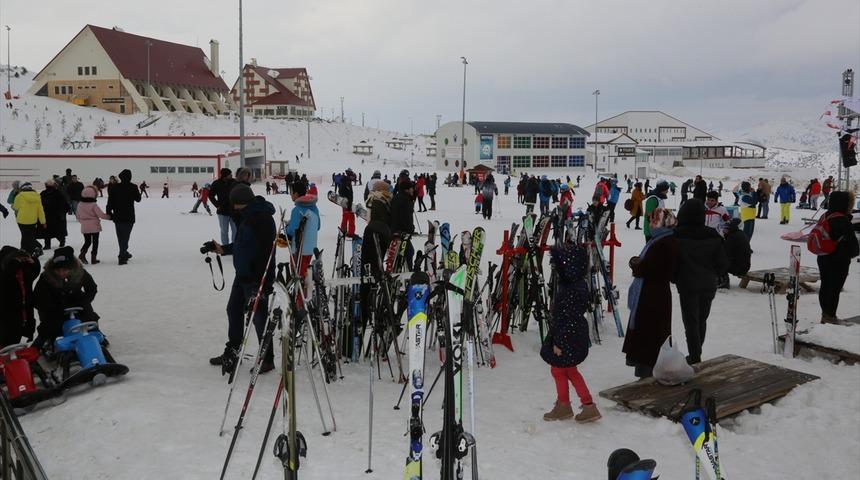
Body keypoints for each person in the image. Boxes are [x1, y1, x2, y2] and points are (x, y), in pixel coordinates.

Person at [208, 184, 277, 374]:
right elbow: (243, 245)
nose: (233, 209)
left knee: (259, 318)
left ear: (240, 203)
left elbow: (265, 253)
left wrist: (261, 283)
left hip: (255, 279)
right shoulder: (248, 217)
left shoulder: (261, 219)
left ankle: (267, 359)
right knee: (233, 309)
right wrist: (224, 249)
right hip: (243, 276)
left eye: (234, 205)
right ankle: (233, 350)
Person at [540, 243, 600, 423]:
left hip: (567, 334)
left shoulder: (570, 290)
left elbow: (565, 318)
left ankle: (567, 405)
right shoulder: (578, 284)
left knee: (559, 370)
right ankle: (583, 405)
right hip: (575, 333)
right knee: (569, 370)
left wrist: (558, 342)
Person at [623, 208, 678, 378]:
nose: (651, 224)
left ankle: (648, 373)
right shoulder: (662, 239)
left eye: (654, 221)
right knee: (649, 335)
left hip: (652, 297)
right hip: (653, 294)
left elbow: (647, 268)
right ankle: (646, 371)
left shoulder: (663, 243)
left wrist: (635, 263)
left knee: (649, 336)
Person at [673, 199, 728, 364]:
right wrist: (714, 274)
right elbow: (723, 263)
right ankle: (696, 353)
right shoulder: (713, 235)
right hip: (708, 284)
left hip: (687, 285)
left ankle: (695, 356)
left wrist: (675, 277)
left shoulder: (677, 235)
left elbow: (672, 262)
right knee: (701, 320)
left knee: (691, 322)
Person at [32, 246, 99, 350]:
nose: (61, 273)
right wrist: (53, 309)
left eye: (65, 270)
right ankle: (42, 343)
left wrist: (84, 302)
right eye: (58, 271)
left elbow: (91, 288)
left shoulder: (80, 273)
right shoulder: (46, 277)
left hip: (77, 305)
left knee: (90, 318)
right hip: (53, 308)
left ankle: (95, 337)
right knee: (51, 327)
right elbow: (38, 299)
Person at [815, 191, 859, 324]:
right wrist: (850, 254)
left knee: (825, 285)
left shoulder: (826, 216)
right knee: (834, 288)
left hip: (823, 257)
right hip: (839, 260)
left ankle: (825, 314)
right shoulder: (842, 220)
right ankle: (830, 316)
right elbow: (853, 245)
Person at [360, 180, 393, 328]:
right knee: (378, 266)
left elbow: (370, 217)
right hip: (385, 232)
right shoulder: (388, 199)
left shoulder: (374, 199)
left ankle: (365, 307)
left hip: (372, 231)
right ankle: (377, 291)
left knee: (368, 268)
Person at [285, 181, 320, 297]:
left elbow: (292, 229)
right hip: (311, 248)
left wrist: (286, 228)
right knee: (304, 272)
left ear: (296, 194)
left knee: (297, 275)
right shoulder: (314, 208)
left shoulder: (297, 210)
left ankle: (299, 301)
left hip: (298, 249)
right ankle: (305, 296)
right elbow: (317, 226)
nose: (290, 195)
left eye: (291, 192)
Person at [0, 247, 40, 347]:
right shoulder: (6, 274)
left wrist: (34, 261)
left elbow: (34, 272)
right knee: (8, 339)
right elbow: (7, 276)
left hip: (23, 313)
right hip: (8, 316)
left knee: (15, 339)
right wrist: (14, 264)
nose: (20, 262)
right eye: (17, 260)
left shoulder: (24, 270)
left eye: (22, 260)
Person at [106, 169, 141, 265]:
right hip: (129, 216)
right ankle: (122, 256)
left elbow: (110, 201)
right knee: (125, 236)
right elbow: (138, 199)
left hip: (118, 216)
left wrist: (108, 212)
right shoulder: (133, 187)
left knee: (121, 236)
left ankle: (124, 253)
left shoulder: (115, 187)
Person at [76, 186, 111, 265]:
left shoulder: (79, 204)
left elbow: (77, 216)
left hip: (85, 226)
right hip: (95, 226)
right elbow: (101, 215)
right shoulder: (93, 205)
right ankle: (93, 258)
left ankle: (82, 254)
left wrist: (83, 222)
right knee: (95, 242)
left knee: (87, 242)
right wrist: (110, 217)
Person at [12, 183, 45, 255]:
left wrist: (13, 206)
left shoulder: (19, 196)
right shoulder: (37, 196)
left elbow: (15, 207)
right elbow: (40, 210)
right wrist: (43, 221)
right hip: (33, 220)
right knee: (29, 235)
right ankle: (25, 250)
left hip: (22, 219)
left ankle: (36, 247)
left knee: (25, 235)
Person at [390, 180, 416, 268]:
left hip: (393, 231)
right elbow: (406, 218)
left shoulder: (395, 198)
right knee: (409, 252)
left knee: (396, 255)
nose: (413, 190)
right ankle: (409, 273)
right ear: (406, 190)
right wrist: (410, 229)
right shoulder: (406, 200)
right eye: (411, 188)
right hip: (403, 233)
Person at [720, 218, 751, 289]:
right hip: (743, 265)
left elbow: (725, 253)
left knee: (717, 261)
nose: (724, 230)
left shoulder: (733, 237)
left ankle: (723, 282)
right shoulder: (738, 234)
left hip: (740, 267)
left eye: (726, 228)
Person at [209, 168, 238, 245]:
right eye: (229, 174)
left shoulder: (235, 182)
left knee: (235, 230)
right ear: (225, 176)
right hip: (222, 212)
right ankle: (225, 247)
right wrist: (217, 205)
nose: (231, 175)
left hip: (234, 211)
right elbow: (210, 195)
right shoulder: (216, 183)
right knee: (224, 231)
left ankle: (234, 247)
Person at [40, 180, 69, 250]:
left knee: (47, 231)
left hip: (47, 215)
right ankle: (62, 241)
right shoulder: (58, 193)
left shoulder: (43, 193)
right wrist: (63, 212)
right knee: (59, 230)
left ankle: (47, 245)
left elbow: (39, 204)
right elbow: (65, 205)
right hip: (57, 216)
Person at [338, 171, 356, 236]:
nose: (353, 177)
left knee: (345, 217)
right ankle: (350, 233)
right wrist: (349, 205)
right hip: (347, 203)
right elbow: (349, 195)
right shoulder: (347, 183)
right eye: (352, 176)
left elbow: (340, 191)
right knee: (351, 217)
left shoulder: (345, 181)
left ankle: (343, 230)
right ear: (349, 176)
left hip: (345, 203)